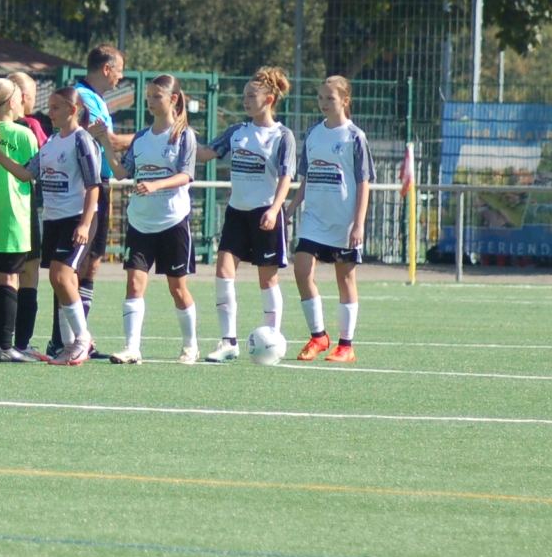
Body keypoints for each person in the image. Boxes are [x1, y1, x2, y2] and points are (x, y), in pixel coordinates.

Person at [0, 84, 101, 364]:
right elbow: (26, 173)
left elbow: (93, 185)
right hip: (53, 220)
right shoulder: (50, 142)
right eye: (49, 107)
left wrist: (85, 224)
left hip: (75, 219)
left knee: (60, 276)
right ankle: (69, 345)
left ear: (73, 110)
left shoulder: (81, 140)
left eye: (55, 107)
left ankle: (82, 338)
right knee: (62, 281)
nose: (49, 112)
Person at [96, 76, 200, 364]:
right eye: (149, 96)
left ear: (173, 99)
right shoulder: (141, 138)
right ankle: (132, 348)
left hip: (172, 221)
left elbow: (186, 175)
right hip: (140, 222)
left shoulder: (184, 136)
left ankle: (190, 346)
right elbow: (121, 172)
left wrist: (156, 185)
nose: (151, 102)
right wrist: (105, 141)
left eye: (157, 96)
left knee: (177, 288)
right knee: (134, 284)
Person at [198, 66, 296, 362]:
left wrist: (275, 209)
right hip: (236, 214)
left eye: (252, 96)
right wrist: (180, 134)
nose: (245, 101)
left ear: (269, 99)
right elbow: (205, 153)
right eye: (244, 96)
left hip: (265, 214)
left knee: (267, 280)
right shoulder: (237, 132)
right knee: (223, 270)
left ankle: (272, 341)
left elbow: (286, 176)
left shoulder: (283, 136)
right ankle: (228, 341)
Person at [290, 76, 371, 363]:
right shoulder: (314, 134)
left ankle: (346, 345)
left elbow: (363, 182)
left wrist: (358, 223)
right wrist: (291, 207)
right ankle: (318, 336)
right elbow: (308, 176)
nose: (323, 103)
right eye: (321, 97)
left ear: (345, 101)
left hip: (343, 220)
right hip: (314, 218)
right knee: (301, 269)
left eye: (330, 98)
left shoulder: (354, 137)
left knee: (345, 277)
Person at [0, 78, 39, 361]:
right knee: (10, 277)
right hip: (14, 214)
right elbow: (31, 173)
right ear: (13, 101)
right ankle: (4, 345)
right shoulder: (23, 134)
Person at [73, 44, 132, 351]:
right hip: (87, 185)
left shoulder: (96, 98)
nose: (120, 77)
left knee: (93, 262)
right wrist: (154, 135)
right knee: (78, 262)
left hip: (101, 182)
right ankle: (68, 337)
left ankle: (80, 336)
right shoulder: (83, 97)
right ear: (106, 69)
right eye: (119, 71)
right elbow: (108, 140)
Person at [8, 71, 48, 355]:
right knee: (29, 272)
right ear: (23, 97)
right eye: (33, 96)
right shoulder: (30, 125)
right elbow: (46, 155)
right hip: (25, 204)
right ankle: (21, 342)